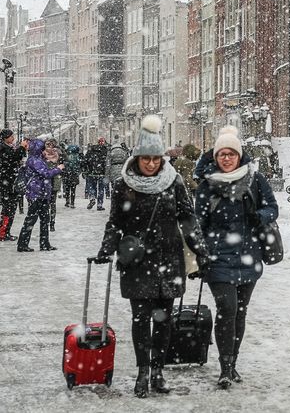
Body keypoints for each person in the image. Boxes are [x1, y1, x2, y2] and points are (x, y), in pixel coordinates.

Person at [95, 115, 208, 398]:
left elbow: (188, 219)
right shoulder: (125, 184)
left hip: (169, 258)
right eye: (146, 158)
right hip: (138, 261)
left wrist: (200, 250)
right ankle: (143, 371)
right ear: (137, 157)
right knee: (140, 318)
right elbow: (115, 222)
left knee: (164, 319)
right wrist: (106, 248)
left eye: (156, 159)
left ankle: (158, 370)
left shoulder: (174, 182)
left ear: (162, 159)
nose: (150, 164)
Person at [195, 125, 278, 388]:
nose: (227, 158)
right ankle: (224, 366)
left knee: (240, 313)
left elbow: (272, 208)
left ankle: (233, 363)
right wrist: (198, 255)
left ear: (239, 156)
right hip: (218, 258)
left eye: (232, 154)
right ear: (216, 157)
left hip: (248, 255)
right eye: (222, 154)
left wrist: (260, 216)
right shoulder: (207, 186)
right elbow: (198, 223)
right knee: (227, 309)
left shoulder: (255, 181)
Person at [16, 139, 65, 252]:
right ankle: (23, 244)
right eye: (43, 149)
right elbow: (46, 174)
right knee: (31, 219)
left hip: (41, 193)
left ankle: (44, 243)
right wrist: (58, 169)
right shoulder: (35, 161)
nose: (45, 151)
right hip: (36, 193)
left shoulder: (37, 159)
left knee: (44, 219)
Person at [0, 129, 26, 241]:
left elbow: (13, 159)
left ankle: (5, 232)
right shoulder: (2, 148)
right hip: (7, 183)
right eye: (11, 136)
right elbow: (12, 157)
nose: (13, 138)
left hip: (9, 181)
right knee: (8, 208)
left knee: (11, 208)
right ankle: (3, 233)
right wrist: (21, 148)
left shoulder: (5, 147)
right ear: (5, 137)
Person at [83, 137, 110, 211]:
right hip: (102, 173)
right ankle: (99, 204)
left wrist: (85, 170)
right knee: (101, 189)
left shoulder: (91, 149)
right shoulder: (106, 150)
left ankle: (92, 197)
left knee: (92, 187)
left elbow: (85, 160)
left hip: (92, 172)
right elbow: (108, 162)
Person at [44, 138, 64, 231]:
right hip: (45, 181)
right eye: (48, 145)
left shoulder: (59, 154)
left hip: (54, 180)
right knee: (46, 204)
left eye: (51, 145)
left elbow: (64, 164)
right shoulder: (42, 154)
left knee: (52, 203)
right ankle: (46, 222)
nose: (49, 147)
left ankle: (52, 223)